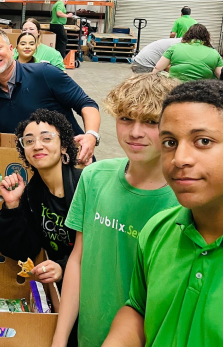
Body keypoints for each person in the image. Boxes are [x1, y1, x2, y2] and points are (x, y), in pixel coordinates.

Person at [51, 73, 180, 347]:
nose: (135, 132)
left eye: (150, 122)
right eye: (126, 118)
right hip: (89, 333)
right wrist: (60, 339)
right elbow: (78, 259)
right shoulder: (94, 177)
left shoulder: (184, 201)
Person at [103, 80, 223, 347]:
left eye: (203, 141)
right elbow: (138, 306)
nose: (180, 159)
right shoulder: (159, 230)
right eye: (170, 142)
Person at [0, 110, 80, 346]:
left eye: (46, 138)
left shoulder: (85, 186)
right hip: (56, 290)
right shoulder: (34, 192)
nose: (37, 145)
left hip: (88, 288)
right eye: (29, 141)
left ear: (64, 146)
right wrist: (12, 206)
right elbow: (24, 250)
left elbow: (106, 250)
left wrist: (63, 268)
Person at [0, 28, 100, 165]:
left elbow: (86, 103)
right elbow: (2, 143)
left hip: (73, 163)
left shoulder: (44, 74)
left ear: (12, 49)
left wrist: (91, 135)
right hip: (33, 174)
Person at [153, 24, 223, 81]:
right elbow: (220, 74)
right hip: (201, 90)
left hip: (175, 88)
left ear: (188, 34)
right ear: (207, 37)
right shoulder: (215, 53)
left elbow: (157, 68)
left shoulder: (175, 47)